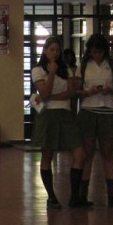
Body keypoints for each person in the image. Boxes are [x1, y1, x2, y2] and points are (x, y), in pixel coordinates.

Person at [32, 36, 87, 209]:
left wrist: (49, 97)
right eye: (51, 50)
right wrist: (51, 73)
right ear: (45, 51)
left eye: (57, 50)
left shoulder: (67, 69)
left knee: (80, 153)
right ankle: (51, 197)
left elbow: (70, 92)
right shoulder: (38, 70)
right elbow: (44, 92)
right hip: (48, 115)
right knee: (47, 155)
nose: (54, 53)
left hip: (66, 113)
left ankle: (74, 197)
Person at [76, 34, 113, 208]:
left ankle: (112, 195)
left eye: (100, 52)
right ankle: (83, 194)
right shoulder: (83, 66)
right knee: (87, 154)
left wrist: (110, 90)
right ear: (89, 51)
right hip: (88, 111)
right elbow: (76, 90)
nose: (97, 55)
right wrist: (88, 92)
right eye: (94, 52)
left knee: (107, 153)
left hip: (107, 111)